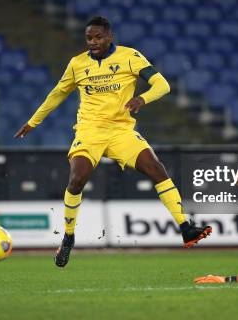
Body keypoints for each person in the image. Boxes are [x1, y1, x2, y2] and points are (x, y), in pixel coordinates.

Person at [15, 16, 212, 267]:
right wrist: (34, 121)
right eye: (89, 38)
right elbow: (57, 94)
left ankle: (186, 227)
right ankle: (68, 237)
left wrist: (142, 99)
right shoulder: (77, 64)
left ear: (110, 37)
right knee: (77, 179)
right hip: (89, 131)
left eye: (98, 37)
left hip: (121, 131)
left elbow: (162, 85)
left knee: (156, 168)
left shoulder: (130, 56)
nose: (93, 42)